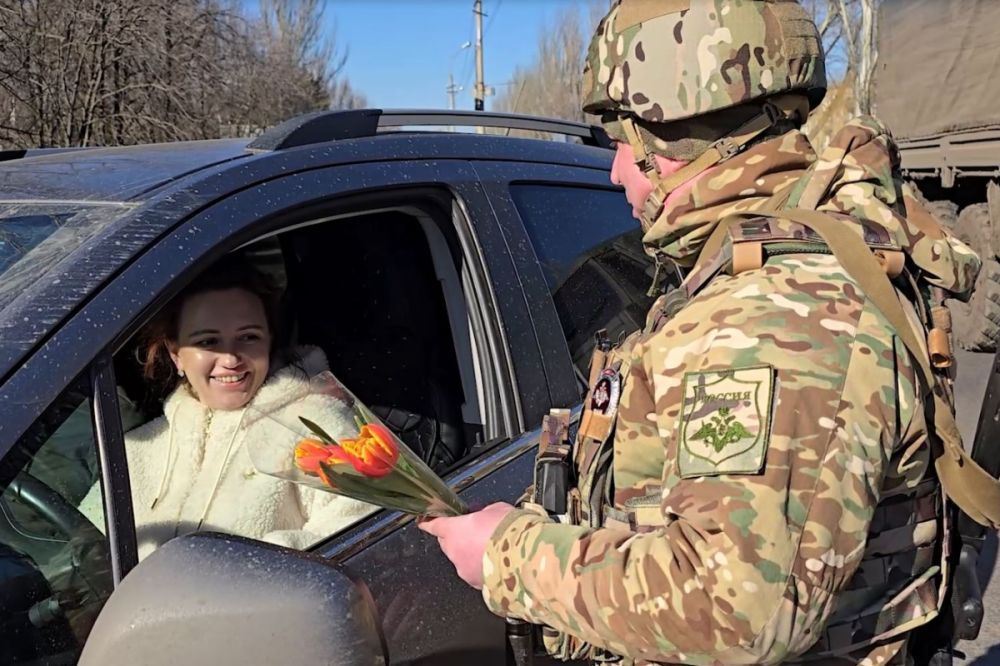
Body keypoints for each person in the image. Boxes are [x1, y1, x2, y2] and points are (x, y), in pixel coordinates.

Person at [420, 1, 990, 664]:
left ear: (678, 146)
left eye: (624, 147)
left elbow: (732, 609)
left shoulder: (775, 313)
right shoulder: (776, 261)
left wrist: (507, 556)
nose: (614, 173)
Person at [81, 255, 375, 560]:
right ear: (176, 354)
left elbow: (361, 537)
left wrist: (243, 571)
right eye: (209, 342)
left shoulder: (317, 425)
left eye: (249, 337)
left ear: (269, 341)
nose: (231, 358)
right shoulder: (135, 453)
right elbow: (86, 559)